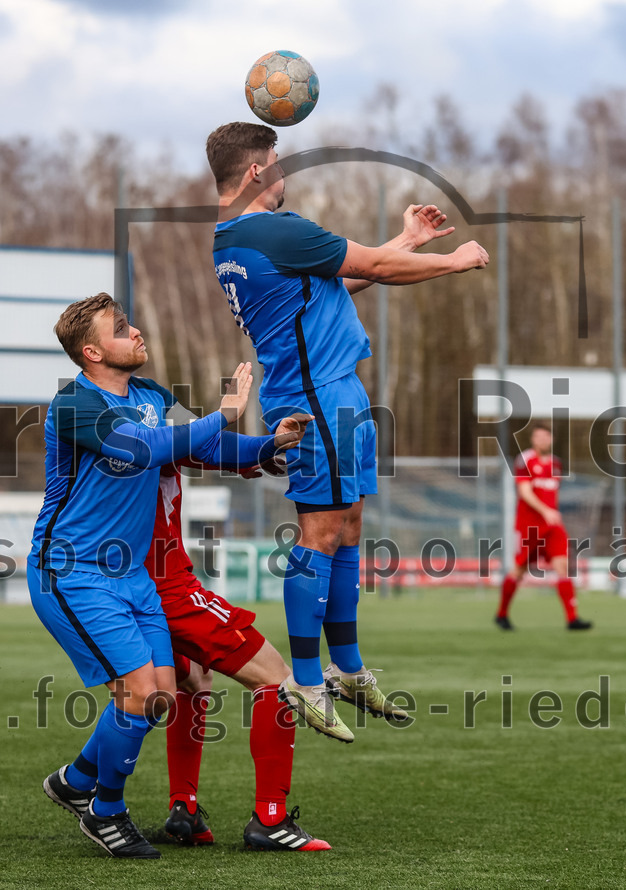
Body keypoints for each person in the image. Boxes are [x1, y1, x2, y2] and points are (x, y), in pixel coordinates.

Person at [206, 121, 490, 741]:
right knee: (322, 532)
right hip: (316, 400)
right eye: (277, 161)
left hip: (335, 391)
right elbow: (375, 268)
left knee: (349, 525)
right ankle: (307, 681)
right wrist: (452, 261)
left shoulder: (235, 238)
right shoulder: (274, 230)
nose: (283, 172)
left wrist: (408, 240)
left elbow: (341, 280)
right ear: (256, 171)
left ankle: (349, 669)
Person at [30, 292, 306, 858]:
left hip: (134, 576)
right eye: (120, 327)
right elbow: (140, 449)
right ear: (91, 352)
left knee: (161, 697)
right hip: (73, 570)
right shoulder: (75, 404)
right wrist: (222, 412)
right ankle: (106, 812)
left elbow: (204, 447)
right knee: (139, 691)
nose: (135, 331)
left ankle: (76, 782)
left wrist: (269, 445)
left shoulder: (151, 396)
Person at [148, 457, 330, 851]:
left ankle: (182, 807)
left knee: (191, 678)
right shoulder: (142, 427)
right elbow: (187, 443)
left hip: (129, 587)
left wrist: (246, 455)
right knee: (278, 679)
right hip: (168, 587)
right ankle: (270, 818)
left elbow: (183, 446)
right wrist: (256, 450)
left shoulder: (98, 438)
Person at [495, 422, 593, 631]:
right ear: (532, 439)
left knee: (562, 566)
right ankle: (501, 614)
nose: (542, 440)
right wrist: (545, 510)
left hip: (552, 526)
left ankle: (572, 619)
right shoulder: (524, 460)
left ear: (552, 439)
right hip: (529, 526)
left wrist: (552, 513)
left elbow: (551, 493)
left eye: (546, 437)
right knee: (519, 570)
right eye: (538, 437)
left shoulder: (556, 463)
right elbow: (525, 492)